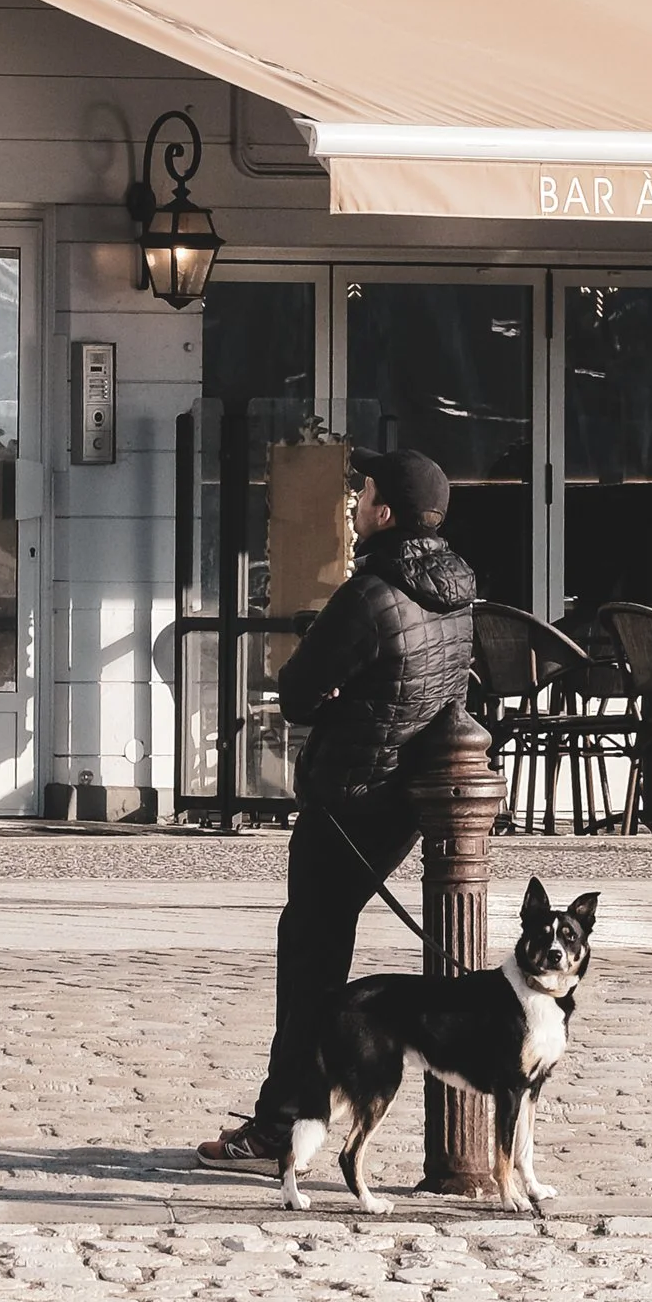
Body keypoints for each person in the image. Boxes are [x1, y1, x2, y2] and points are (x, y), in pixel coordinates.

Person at [195, 447, 475, 1171]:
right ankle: (298, 1116)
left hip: (348, 798)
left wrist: (340, 693)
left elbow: (295, 692)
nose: (354, 503)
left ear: (386, 512)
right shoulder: (457, 592)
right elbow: (433, 689)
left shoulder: (370, 593)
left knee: (310, 964)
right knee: (321, 952)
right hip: (402, 803)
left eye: (364, 491)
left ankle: (279, 1127)